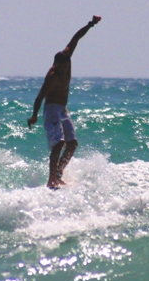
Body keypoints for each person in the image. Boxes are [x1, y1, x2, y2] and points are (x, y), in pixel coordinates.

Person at [27, 15, 102, 189]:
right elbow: (39, 97)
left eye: (66, 66)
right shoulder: (52, 76)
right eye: (60, 68)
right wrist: (34, 116)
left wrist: (90, 24)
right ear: (55, 65)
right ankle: (51, 179)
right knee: (59, 143)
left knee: (72, 143)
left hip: (63, 109)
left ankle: (59, 173)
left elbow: (76, 38)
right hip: (51, 110)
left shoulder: (67, 56)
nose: (64, 70)